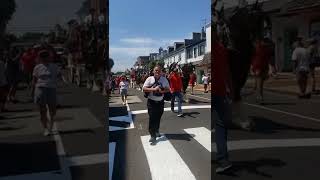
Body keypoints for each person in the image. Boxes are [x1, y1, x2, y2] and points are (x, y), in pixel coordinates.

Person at [213, 26, 233, 173]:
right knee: (220, 125)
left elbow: (226, 71)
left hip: (217, 92)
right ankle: (223, 159)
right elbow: (227, 72)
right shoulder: (221, 48)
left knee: (219, 125)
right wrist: (230, 90)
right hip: (219, 92)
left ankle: (223, 159)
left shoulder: (218, 49)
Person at [32, 50, 61, 136]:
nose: (44, 58)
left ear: (49, 57)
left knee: (53, 110)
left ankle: (51, 125)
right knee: (42, 110)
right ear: (40, 58)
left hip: (51, 88)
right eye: (42, 56)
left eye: (46, 56)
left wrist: (58, 79)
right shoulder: (37, 67)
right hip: (41, 88)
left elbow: (59, 75)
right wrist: (33, 91)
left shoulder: (54, 66)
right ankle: (46, 128)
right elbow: (34, 80)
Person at [143, 65, 170, 145]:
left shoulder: (164, 79)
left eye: (159, 70)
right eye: (156, 70)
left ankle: (157, 130)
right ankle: (152, 135)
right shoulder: (149, 79)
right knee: (152, 118)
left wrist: (162, 91)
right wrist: (153, 89)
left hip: (160, 102)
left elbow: (168, 89)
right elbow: (144, 88)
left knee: (158, 117)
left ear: (161, 72)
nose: (157, 72)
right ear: (153, 71)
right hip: (151, 102)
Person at [251, 37, 273, 103]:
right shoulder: (265, 49)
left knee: (260, 82)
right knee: (260, 82)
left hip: (260, 67)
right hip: (260, 67)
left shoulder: (261, 48)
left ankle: (259, 96)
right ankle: (260, 96)